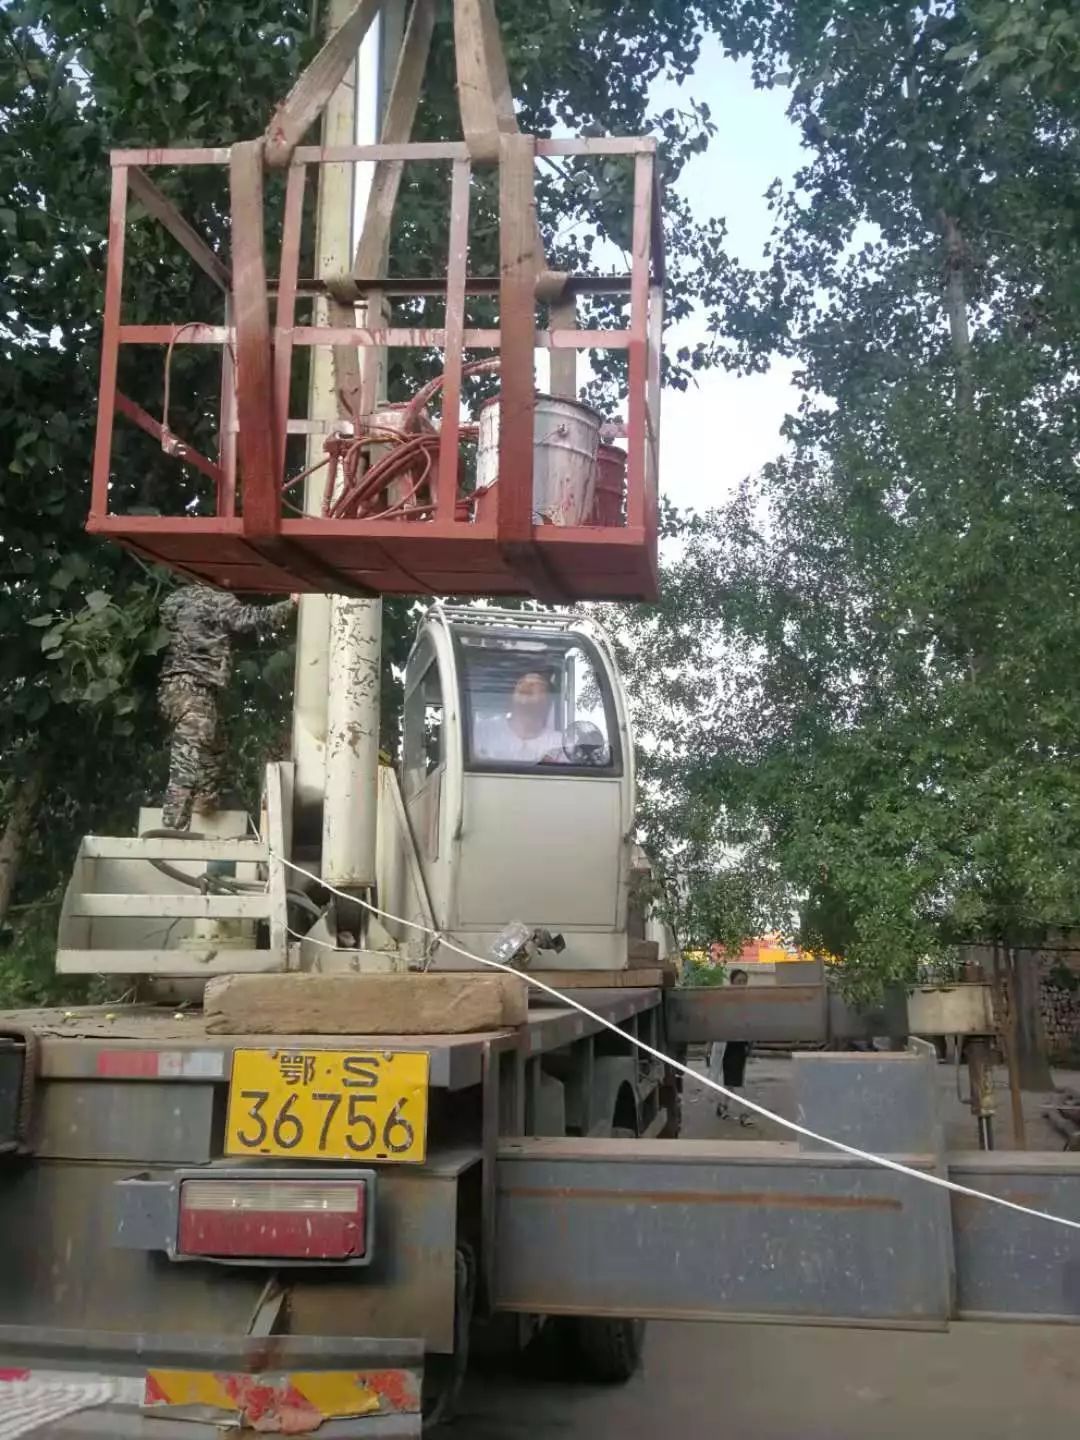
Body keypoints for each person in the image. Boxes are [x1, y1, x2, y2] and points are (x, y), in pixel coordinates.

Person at [158, 583, 296, 831]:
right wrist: (292, 604)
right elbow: (250, 619)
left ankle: (204, 803)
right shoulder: (217, 599)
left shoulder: (179, 597)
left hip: (175, 689)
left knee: (215, 751)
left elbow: (167, 616)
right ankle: (172, 827)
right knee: (187, 760)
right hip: (194, 689)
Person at [473, 669, 566, 764]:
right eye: (521, 682)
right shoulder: (482, 732)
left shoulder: (560, 745)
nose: (527, 685)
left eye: (537, 684)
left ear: (548, 701)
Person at [708, 967, 755, 1127]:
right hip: (726, 1044)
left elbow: (750, 1024)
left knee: (732, 1080)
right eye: (739, 981)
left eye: (744, 981)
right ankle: (744, 1114)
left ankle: (723, 1106)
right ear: (732, 982)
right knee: (736, 1081)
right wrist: (709, 1043)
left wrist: (750, 1043)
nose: (742, 984)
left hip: (740, 1044)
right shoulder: (725, 1001)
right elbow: (716, 1022)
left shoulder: (748, 1001)